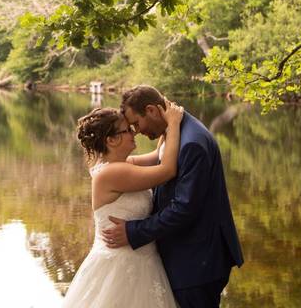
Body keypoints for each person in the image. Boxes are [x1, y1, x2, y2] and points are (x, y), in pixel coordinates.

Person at [102, 85, 243, 308]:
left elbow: (183, 208)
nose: (136, 131)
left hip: (197, 262)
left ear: (151, 110)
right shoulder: (174, 132)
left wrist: (133, 231)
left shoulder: (191, 143)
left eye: (136, 124)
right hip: (185, 256)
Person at [62, 102, 185, 307]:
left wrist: (161, 124)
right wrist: (173, 124)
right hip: (120, 265)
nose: (134, 133)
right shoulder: (113, 173)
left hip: (142, 260)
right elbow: (167, 170)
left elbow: (158, 157)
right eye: (127, 130)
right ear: (112, 140)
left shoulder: (121, 165)